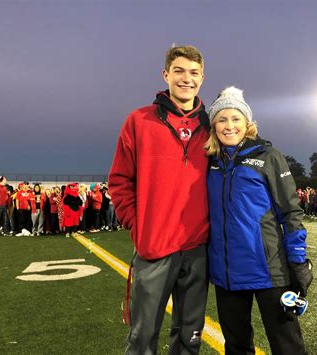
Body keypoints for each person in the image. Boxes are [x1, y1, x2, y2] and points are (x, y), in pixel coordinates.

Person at [108, 45, 210, 355]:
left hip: (197, 249)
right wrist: (138, 226)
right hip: (154, 248)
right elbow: (119, 180)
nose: (186, 79)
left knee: (189, 340)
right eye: (178, 71)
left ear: (202, 78)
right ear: (165, 74)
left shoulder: (212, 127)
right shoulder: (139, 120)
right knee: (142, 340)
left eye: (193, 73)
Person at [205, 86, 312, 355]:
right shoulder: (209, 161)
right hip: (227, 274)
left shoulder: (269, 157)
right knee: (237, 347)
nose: (229, 126)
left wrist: (298, 260)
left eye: (235, 119)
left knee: (287, 346)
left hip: (269, 271)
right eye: (222, 119)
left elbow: (290, 212)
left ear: (247, 123)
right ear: (214, 125)